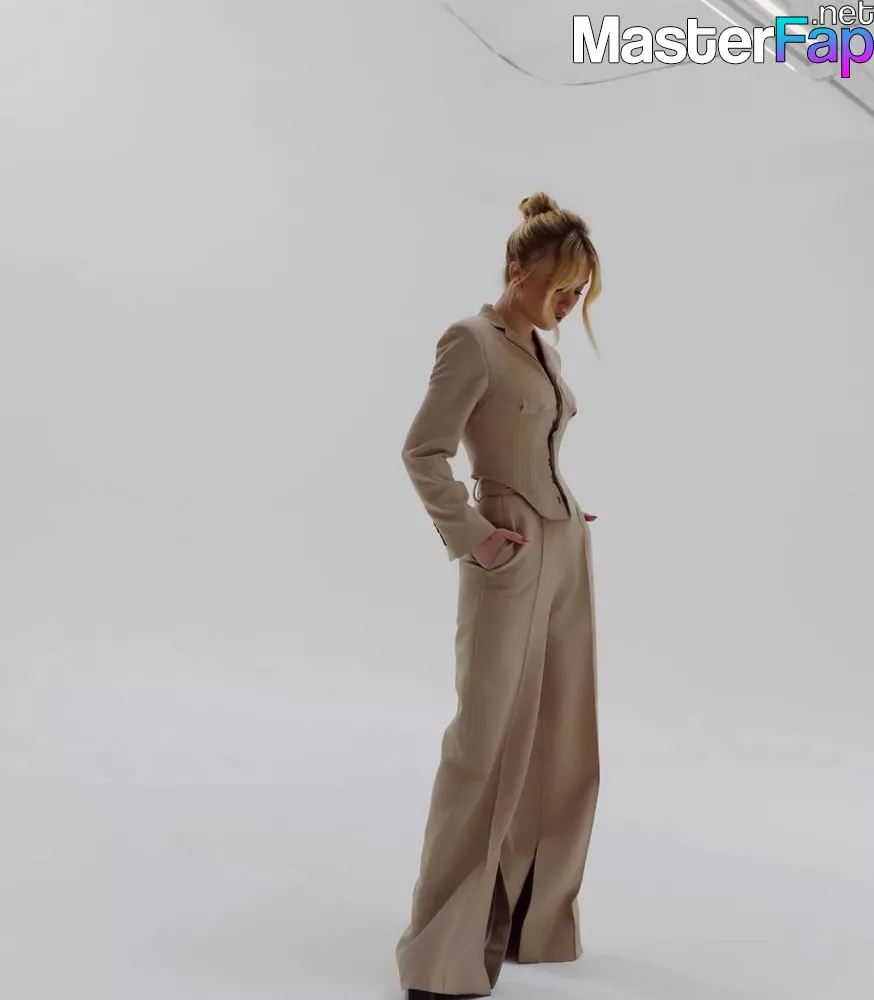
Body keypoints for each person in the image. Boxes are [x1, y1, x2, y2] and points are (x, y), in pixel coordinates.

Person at [396, 191, 602, 1000]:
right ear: (517, 270)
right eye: (561, 287)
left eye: (580, 292)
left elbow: (535, 446)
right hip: (506, 558)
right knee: (482, 748)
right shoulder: (471, 341)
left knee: (563, 742)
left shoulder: (542, 350)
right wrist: (475, 533)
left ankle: (528, 922)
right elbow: (424, 451)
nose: (570, 303)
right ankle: (440, 959)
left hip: (565, 551)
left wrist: (561, 511)